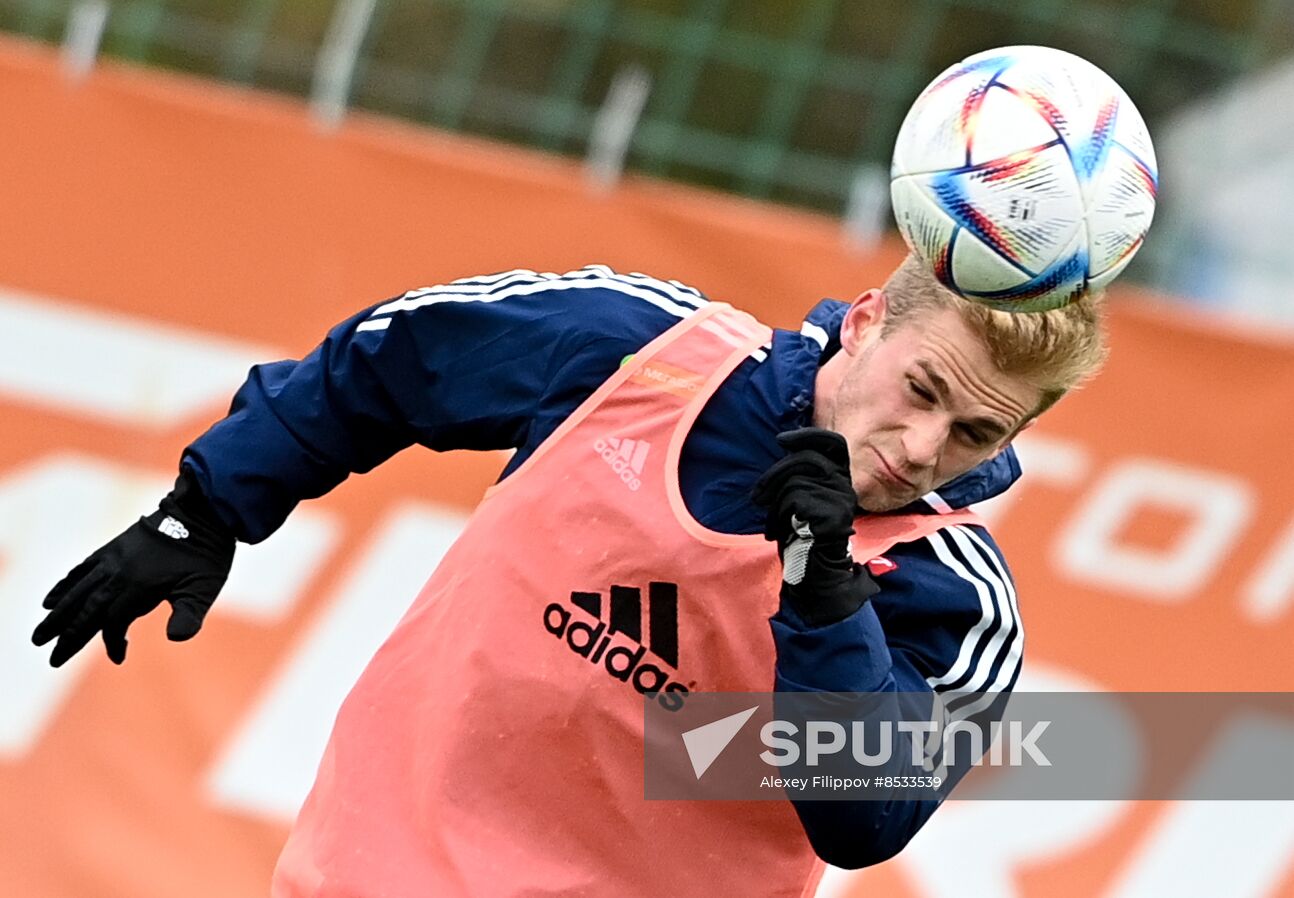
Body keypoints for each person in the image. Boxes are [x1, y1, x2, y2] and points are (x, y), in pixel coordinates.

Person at [32, 257, 1105, 896]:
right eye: (919, 390)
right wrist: (209, 505)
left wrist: (822, 589)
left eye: (974, 431)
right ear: (867, 322)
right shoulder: (637, 348)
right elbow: (393, 360)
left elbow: (863, 822)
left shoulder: (952, 594)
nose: (922, 447)